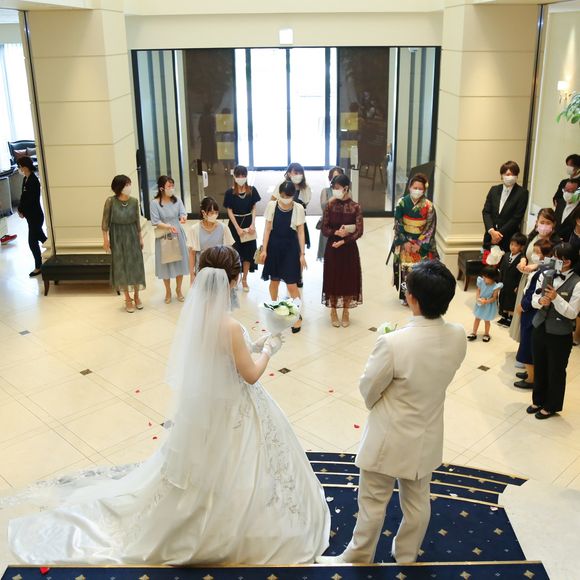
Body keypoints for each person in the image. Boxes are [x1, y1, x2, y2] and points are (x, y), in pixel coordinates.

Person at [5, 245, 330, 565]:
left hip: (206, 408)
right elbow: (250, 375)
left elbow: (219, 356)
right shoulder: (229, 325)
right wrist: (269, 350)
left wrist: (253, 345)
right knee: (238, 463)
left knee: (203, 468)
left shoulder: (199, 318)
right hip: (233, 409)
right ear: (231, 281)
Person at [317, 260, 466, 565]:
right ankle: (407, 554)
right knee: (417, 501)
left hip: (389, 435)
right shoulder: (458, 335)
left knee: (373, 500)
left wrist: (379, 403)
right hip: (427, 432)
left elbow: (368, 387)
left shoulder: (393, 343)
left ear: (412, 298)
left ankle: (359, 556)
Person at [528, 243, 580, 419]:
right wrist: (540, 301)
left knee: (556, 370)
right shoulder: (546, 274)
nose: (552, 260)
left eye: (557, 258)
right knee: (539, 365)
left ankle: (551, 405)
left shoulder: (577, 283)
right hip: (540, 326)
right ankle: (538, 400)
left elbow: (572, 313)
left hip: (560, 333)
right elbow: (534, 298)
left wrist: (556, 298)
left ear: (567, 261)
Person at [509, 208, 561, 346]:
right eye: (542, 222)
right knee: (521, 311)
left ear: (554, 224)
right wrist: (523, 261)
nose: (544, 225)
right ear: (537, 222)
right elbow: (525, 253)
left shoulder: (556, 242)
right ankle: (523, 344)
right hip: (526, 278)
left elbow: (556, 264)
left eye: (548, 222)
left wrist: (537, 266)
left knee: (532, 314)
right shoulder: (533, 235)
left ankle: (531, 347)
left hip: (541, 281)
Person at [261, 181, 307, 333]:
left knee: (291, 285)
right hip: (274, 247)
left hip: (291, 248)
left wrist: (302, 254)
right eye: (282, 196)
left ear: (293, 195)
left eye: (288, 196)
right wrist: (264, 249)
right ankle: (274, 308)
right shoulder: (272, 206)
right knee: (274, 281)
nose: (285, 199)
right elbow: (267, 229)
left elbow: (301, 231)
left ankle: (297, 316)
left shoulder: (298, 208)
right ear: (279, 194)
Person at [321, 174, 363, 328]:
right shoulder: (330, 205)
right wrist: (335, 233)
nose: (335, 190)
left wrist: (345, 238)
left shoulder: (355, 207)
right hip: (333, 246)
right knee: (332, 278)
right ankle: (333, 311)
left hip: (349, 248)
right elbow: (324, 228)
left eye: (337, 188)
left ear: (345, 188)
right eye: (333, 187)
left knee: (348, 279)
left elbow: (359, 231)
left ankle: (346, 311)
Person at [513, 239, 555, 389]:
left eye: (538, 252)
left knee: (528, 344)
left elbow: (533, 293)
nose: (535, 255)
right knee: (527, 341)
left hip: (531, 311)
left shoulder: (543, 272)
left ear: (546, 255)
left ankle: (531, 379)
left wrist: (523, 306)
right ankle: (530, 372)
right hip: (530, 309)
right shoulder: (541, 268)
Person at [102, 175, 146, 313]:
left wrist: (140, 238)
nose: (129, 187)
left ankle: (137, 296)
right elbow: (105, 223)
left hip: (132, 236)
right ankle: (127, 298)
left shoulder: (134, 201)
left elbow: (137, 222)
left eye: (129, 184)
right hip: (117, 237)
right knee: (122, 266)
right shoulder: (110, 202)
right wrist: (106, 240)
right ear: (119, 187)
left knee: (136, 266)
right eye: (126, 184)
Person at [392, 173, 438, 305]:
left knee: (421, 271)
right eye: (415, 187)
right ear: (409, 187)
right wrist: (405, 241)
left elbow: (430, 227)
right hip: (405, 240)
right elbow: (398, 223)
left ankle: (420, 297)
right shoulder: (401, 202)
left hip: (420, 242)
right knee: (406, 270)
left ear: (424, 190)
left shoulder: (428, 206)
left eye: (420, 188)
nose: (417, 191)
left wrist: (419, 244)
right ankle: (406, 296)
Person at [150, 175, 189, 304]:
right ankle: (168, 291)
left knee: (180, 260)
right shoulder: (155, 203)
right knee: (165, 263)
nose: (172, 188)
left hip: (177, 232)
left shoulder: (177, 200)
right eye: (169, 186)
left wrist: (183, 217)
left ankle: (179, 289)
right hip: (164, 233)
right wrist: (168, 226)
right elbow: (155, 221)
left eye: (173, 186)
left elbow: (183, 213)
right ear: (162, 188)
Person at [224, 165, 261, 292]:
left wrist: (253, 224)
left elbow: (254, 208)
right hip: (235, 225)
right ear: (234, 176)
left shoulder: (252, 190)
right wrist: (237, 228)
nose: (241, 178)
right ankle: (235, 279)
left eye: (243, 175)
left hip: (249, 224)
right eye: (238, 175)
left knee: (248, 254)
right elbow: (229, 210)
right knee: (234, 253)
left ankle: (244, 279)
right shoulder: (230, 192)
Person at [482, 160, 529, 252]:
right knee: (487, 260)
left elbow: (517, 217)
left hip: (509, 239)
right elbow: (486, 212)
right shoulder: (494, 190)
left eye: (513, 174)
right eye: (507, 174)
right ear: (502, 175)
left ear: (517, 176)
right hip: (490, 237)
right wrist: (492, 231)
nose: (510, 177)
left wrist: (498, 234)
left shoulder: (522, 193)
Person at [188, 197, 234, 281]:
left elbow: (229, 252)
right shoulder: (194, 229)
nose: (214, 215)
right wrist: (192, 274)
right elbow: (192, 254)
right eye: (211, 213)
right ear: (203, 213)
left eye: (216, 212)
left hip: (220, 270)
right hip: (202, 270)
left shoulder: (224, 228)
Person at [16, 156, 47, 277]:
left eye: (20, 166)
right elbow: (23, 197)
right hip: (30, 216)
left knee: (32, 242)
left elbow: (31, 200)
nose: (19, 169)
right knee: (42, 238)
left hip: (36, 216)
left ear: (25, 167)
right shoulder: (26, 179)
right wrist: (20, 209)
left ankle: (39, 267)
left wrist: (22, 210)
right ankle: (53, 255)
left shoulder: (34, 181)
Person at [497, 232, 527, 327]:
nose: (513, 247)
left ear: (521, 247)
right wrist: (499, 281)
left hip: (513, 284)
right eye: (512, 244)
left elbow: (521, 274)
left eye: (516, 245)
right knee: (503, 298)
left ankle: (510, 317)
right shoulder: (506, 255)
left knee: (511, 300)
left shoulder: (521, 259)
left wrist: (518, 285)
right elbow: (501, 269)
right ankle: (504, 315)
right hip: (504, 282)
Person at [467, 266, 503, 343]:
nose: (483, 278)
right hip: (480, 304)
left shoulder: (495, 286)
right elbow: (478, 290)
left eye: (486, 277)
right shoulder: (481, 282)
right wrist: (477, 298)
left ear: (492, 278)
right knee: (477, 318)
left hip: (488, 305)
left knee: (487, 320)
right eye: (483, 276)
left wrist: (486, 301)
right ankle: (474, 333)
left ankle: (486, 334)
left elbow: (494, 298)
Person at [317, 166, 344, 261]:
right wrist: (333, 198)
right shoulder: (325, 191)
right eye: (334, 177)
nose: (336, 180)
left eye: (339, 177)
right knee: (328, 256)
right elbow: (323, 207)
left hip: (342, 226)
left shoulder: (347, 191)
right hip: (328, 226)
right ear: (330, 178)